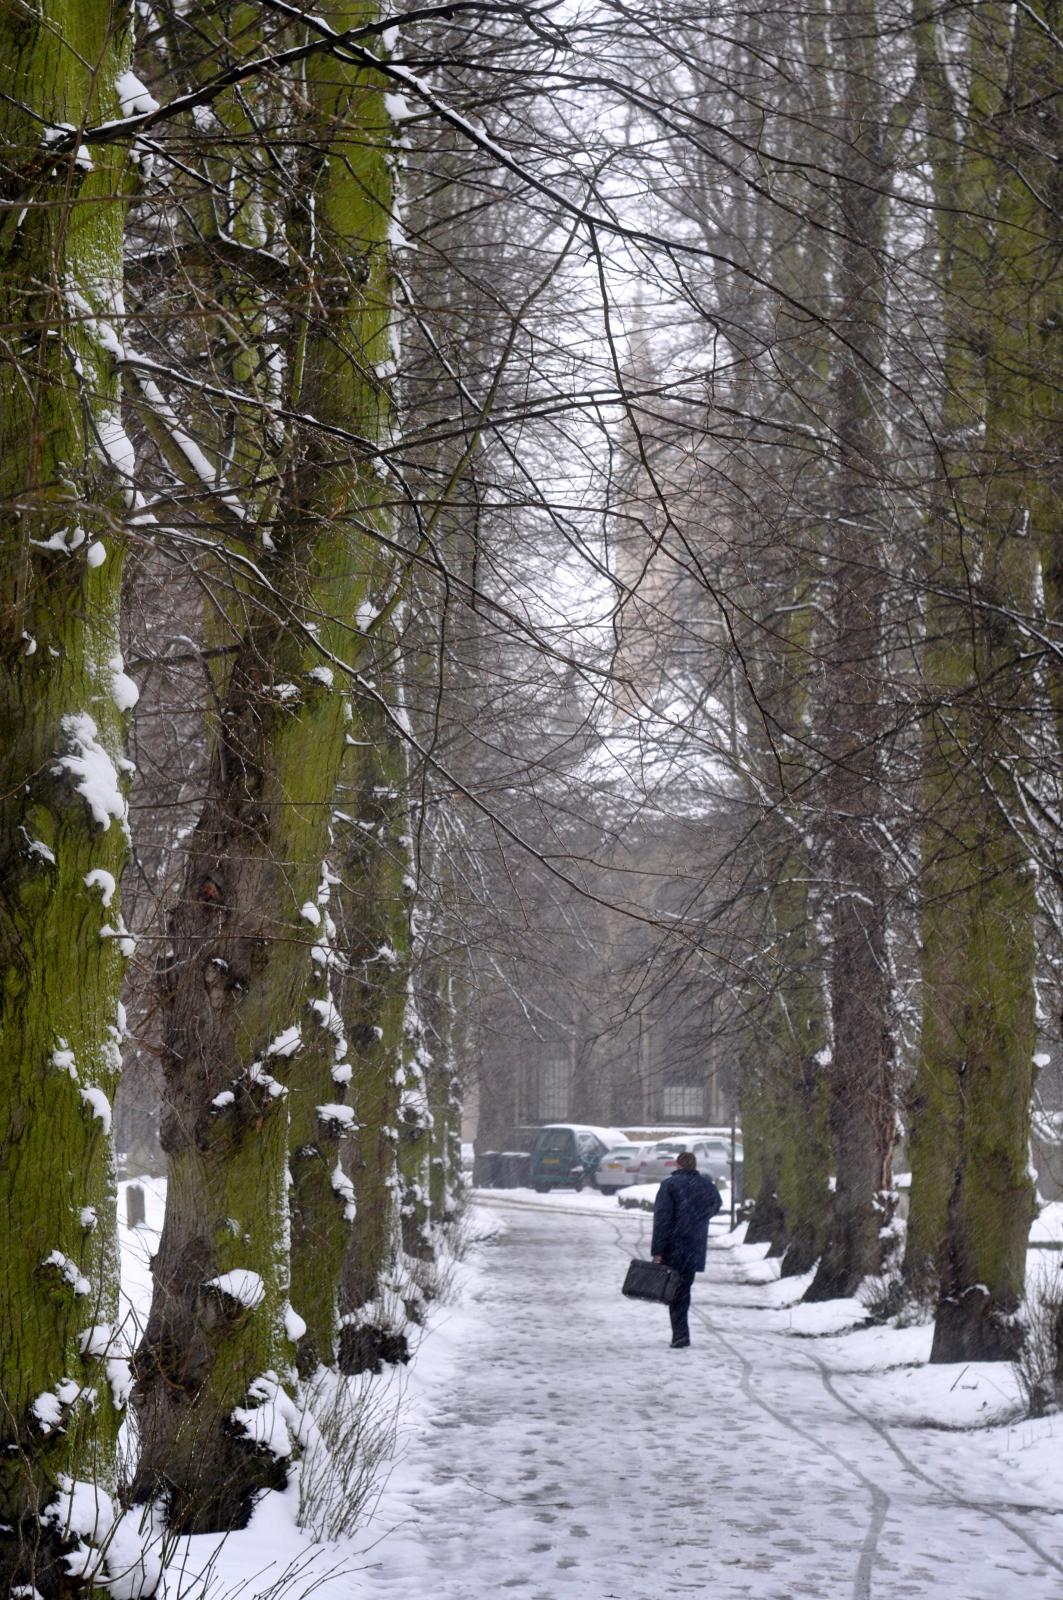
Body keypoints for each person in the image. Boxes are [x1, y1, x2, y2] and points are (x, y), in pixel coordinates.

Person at [651, 1150, 722, 1348]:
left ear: (678, 1164)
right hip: (694, 1245)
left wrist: (658, 1250)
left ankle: (680, 1334)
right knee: (684, 1289)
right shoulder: (706, 1186)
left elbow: (662, 1219)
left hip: (673, 1246)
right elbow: (716, 1204)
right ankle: (681, 1333)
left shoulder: (670, 1186)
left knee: (673, 1290)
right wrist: (699, 1218)